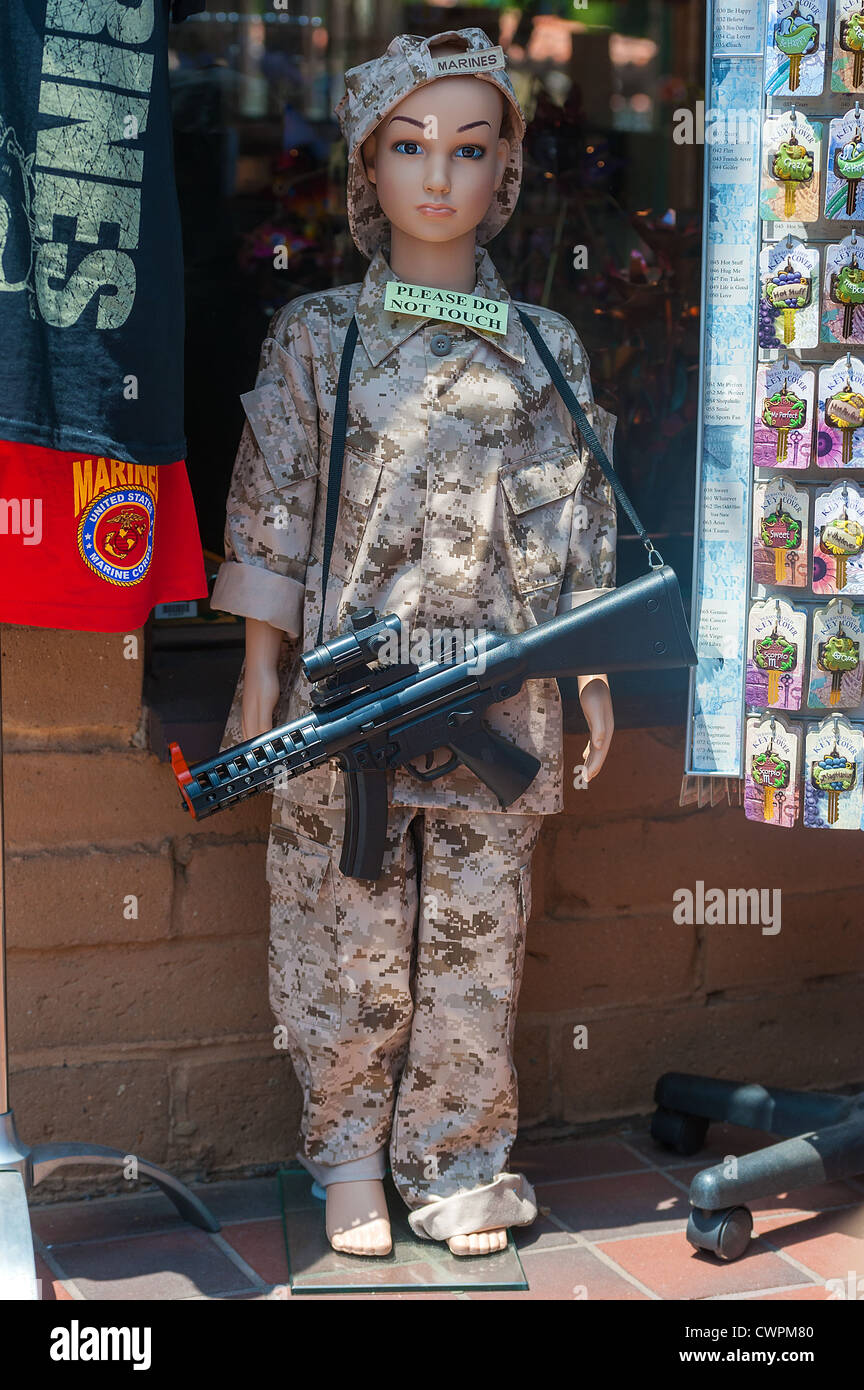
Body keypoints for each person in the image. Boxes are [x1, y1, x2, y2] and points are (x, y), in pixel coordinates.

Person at [211, 28, 617, 1257]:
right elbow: (274, 515)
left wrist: (591, 677)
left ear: (506, 173)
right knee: (346, 934)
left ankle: (457, 1162)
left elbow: (575, 521)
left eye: (470, 149)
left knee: (476, 950)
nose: (438, 177)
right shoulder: (319, 336)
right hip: (353, 708)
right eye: (408, 146)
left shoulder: (543, 344)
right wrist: (259, 679)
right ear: (365, 171)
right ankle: (345, 1157)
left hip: (493, 698)